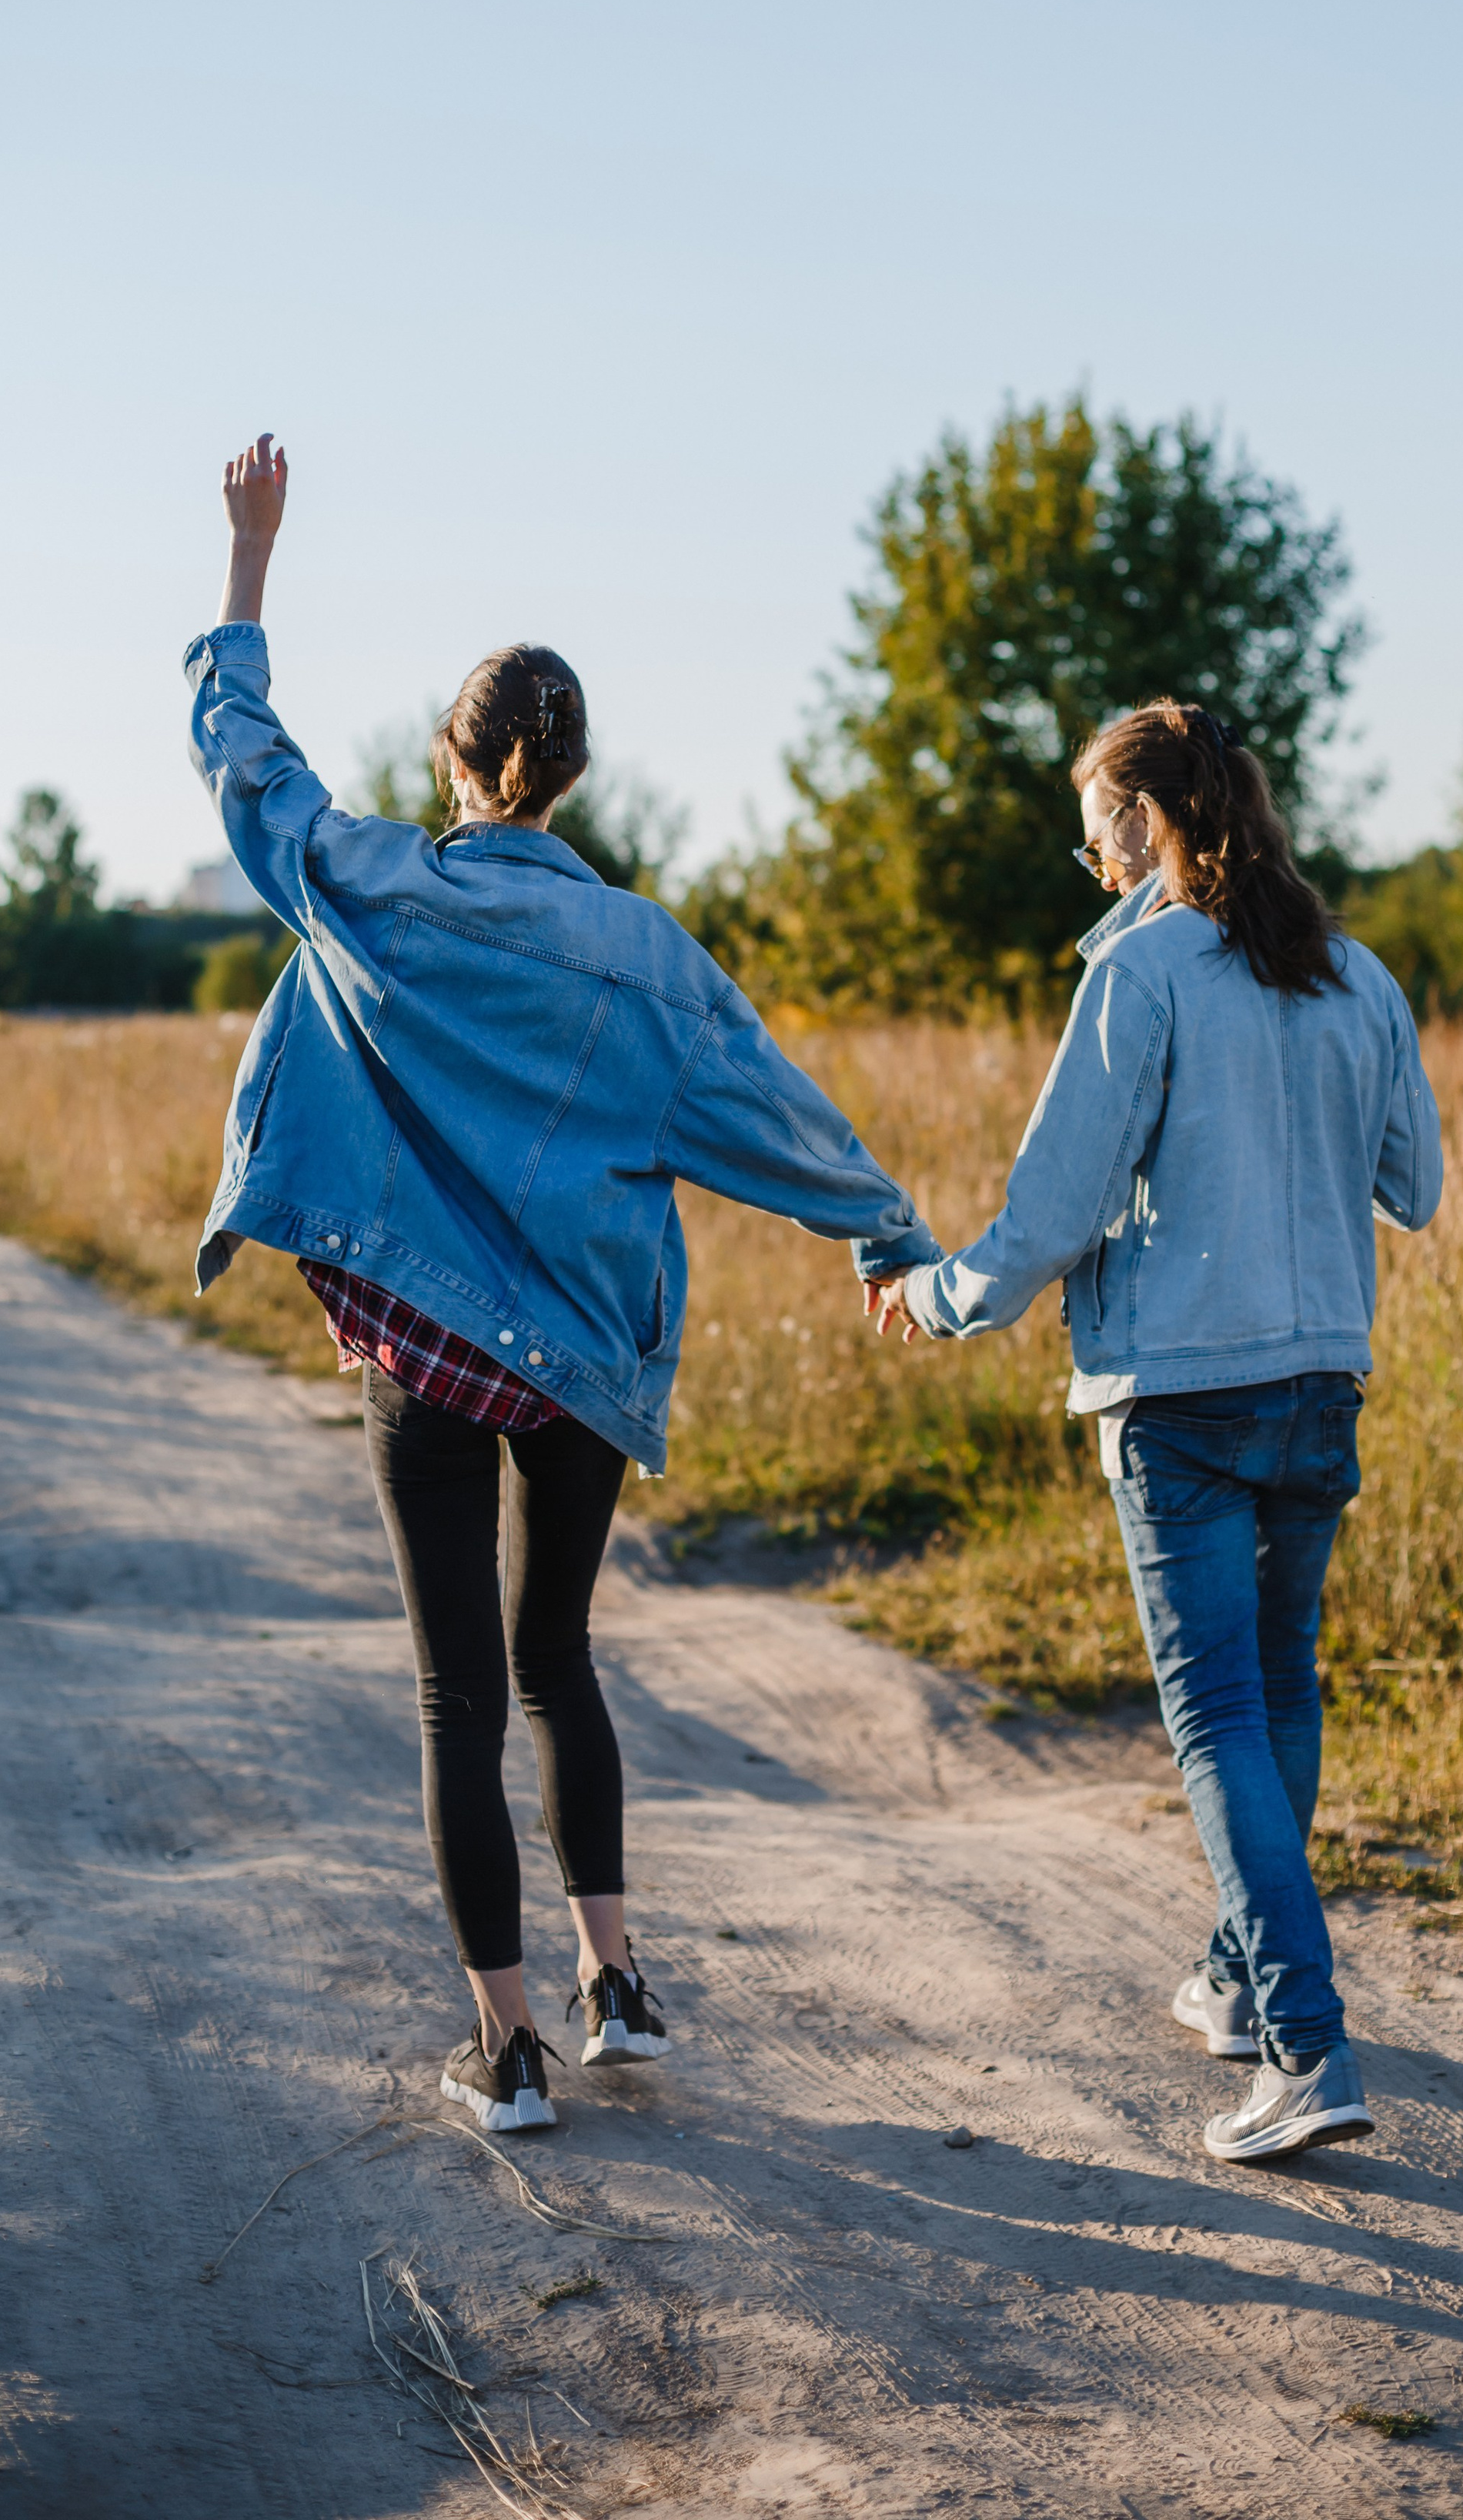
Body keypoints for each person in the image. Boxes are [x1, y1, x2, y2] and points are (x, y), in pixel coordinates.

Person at [186, 436, 943, 2134]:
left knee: (456, 1688)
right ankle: (618, 1983)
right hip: (587, 1358)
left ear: (453, 763)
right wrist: (883, 1230)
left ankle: (504, 2048)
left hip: (426, 1352)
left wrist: (248, 563)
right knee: (558, 1662)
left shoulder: (379, 891)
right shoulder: (649, 954)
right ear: (574, 775)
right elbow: (778, 1114)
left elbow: (249, 770)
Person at [863, 700, 1441, 2163]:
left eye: (1090, 833)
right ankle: (1244, 1986)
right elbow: (1415, 1185)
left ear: (1139, 823)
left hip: (1181, 1400)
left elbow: (1051, 1214)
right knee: (1281, 1689)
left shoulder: (1146, 970)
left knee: (1218, 1713)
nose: (1091, 863)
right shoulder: (1357, 974)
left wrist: (937, 1298)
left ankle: (1308, 2046)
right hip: (1323, 1382)